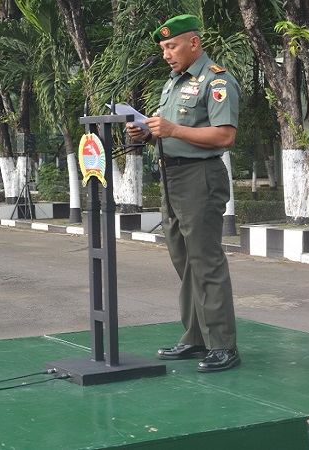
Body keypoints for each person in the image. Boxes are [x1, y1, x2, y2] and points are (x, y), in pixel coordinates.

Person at [126, 14, 241, 372]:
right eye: (162, 48)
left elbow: (224, 136)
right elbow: (171, 129)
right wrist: (148, 133)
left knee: (205, 261)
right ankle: (195, 338)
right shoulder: (173, 83)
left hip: (200, 177)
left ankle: (223, 345)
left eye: (171, 46)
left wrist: (173, 129)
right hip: (171, 177)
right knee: (183, 260)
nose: (166, 54)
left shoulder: (217, 81)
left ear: (194, 43)